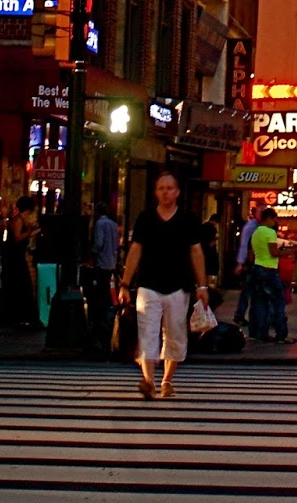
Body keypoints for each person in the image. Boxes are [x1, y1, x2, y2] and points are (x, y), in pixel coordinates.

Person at [119, 169, 208, 398]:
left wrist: (202, 286)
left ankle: (167, 379)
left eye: (169, 188)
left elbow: (196, 252)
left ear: (177, 192)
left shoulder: (187, 220)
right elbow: (135, 250)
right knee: (147, 331)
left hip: (178, 285)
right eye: (161, 188)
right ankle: (148, 380)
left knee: (175, 332)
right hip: (148, 283)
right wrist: (125, 283)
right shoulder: (145, 218)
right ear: (155, 193)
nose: (165, 192)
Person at [248, 207, 295, 344]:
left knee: (260, 303)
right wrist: (288, 252)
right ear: (269, 218)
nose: (275, 222)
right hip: (269, 270)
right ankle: (281, 334)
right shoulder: (270, 232)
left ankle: (260, 333)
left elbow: (250, 256)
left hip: (257, 268)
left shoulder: (255, 233)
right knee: (278, 302)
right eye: (274, 219)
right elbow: (274, 252)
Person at [0, 195, 39, 329]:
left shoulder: (20, 220)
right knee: (20, 285)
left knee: (21, 285)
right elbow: (17, 238)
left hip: (17, 257)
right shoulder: (18, 220)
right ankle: (17, 317)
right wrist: (30, 231)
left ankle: (18, 317)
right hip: (14, 258)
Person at [85, 203, 120, 347]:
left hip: (101, 263)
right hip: (111, 262)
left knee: (99, 290)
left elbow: (99, 243)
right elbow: (116, 244)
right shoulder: (113, 224)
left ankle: (100, 317)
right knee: (107, 287)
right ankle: (107, 308)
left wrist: (92, 253)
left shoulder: (100, 223)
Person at [231, 203, 263, 327]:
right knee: (247, 290)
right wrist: (240, 263)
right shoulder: (251, 227)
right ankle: (239, 315)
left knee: (250, 290)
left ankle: (243, 315)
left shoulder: (259, 227)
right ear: (255, 213)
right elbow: (244, 245)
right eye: (260, 212)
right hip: (250, 264)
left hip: (255, 262)